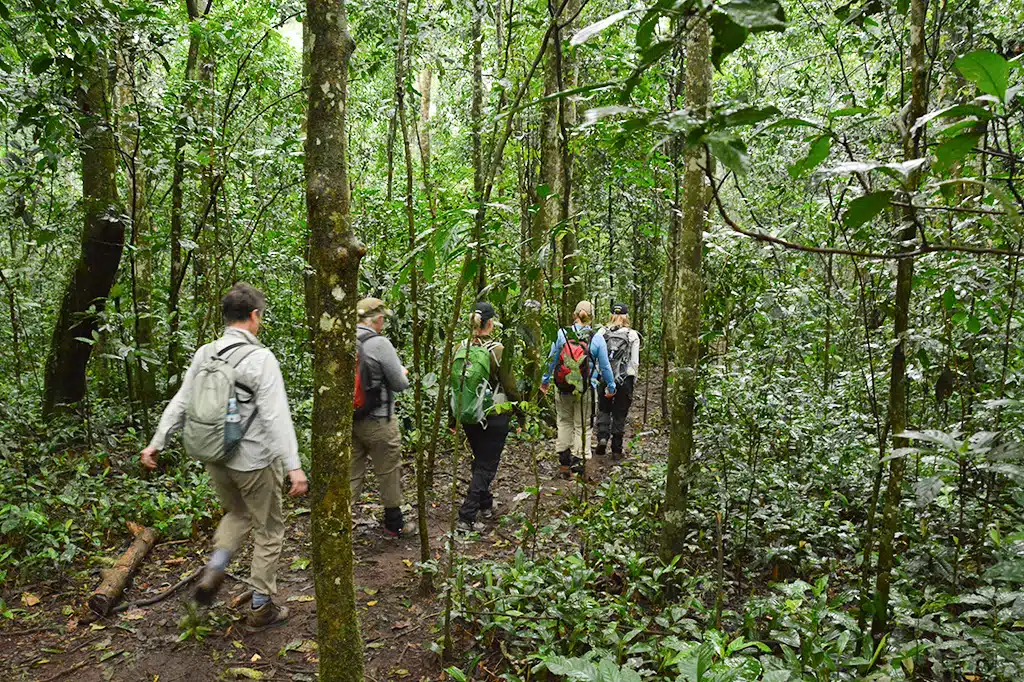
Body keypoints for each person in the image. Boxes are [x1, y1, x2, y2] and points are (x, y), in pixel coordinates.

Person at [140, 283, 307, 630]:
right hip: (254, 461)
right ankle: (262, 607)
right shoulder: (261, 359)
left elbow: (182, 400)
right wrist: (294, 466)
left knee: (236, 512)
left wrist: (157, 441)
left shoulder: (205, 353)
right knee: (269, 529)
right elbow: (276, 416)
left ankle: (216, 566)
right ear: (254, 316)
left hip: (214, 456)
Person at [350, 297, 414, 538]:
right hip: (379, 421)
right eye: (382, 319)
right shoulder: (379, 344)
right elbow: (400, 383)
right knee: (388, 472)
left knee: (352, 475)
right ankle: (394, 524)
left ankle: (337, 527)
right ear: (376, 320)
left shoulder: (342, 338)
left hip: (351, 420)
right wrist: (403, 372)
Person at [454, 302, 519, 533]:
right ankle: (467, 516)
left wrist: (453, 420)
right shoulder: (497, 350)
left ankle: (486, 504)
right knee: (486, 465)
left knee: (480, 458)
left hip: (468, 415)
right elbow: (510, 386)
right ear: (490, 323)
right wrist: (521, 415)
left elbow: (456, 386)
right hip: (493, 414)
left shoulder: (460, 347)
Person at [540, 300, 616, 479]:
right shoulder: (596, 337)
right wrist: (611, 386)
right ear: (592, 318)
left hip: (563, 386)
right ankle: (578, 464)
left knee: (564, 421)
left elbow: (551, 359)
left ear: (575, 315)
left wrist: (545, 381)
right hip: (585, 389)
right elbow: (604, 366)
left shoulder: (562, 334)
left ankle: (564, 464)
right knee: (582, 425)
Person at [594, 303, 641, 459]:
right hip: (624, 379)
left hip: (604, 377)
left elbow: (595, 359)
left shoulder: (601, 332)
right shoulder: (632, 335)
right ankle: (616, 448)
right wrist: (632, 380)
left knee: (604, 408)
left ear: (611, 315)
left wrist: (598, 376)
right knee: (620, 412)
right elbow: (634, 362)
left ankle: (602, 438)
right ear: (626, 316)